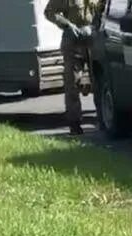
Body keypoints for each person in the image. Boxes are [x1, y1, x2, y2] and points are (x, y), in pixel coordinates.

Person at [45, 0, 98, 136]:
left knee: (100, 82)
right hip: (74, 44)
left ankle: (104, 120)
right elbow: (49, 12)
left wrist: (95, 27)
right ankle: (75, 124)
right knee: (72, 84)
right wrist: (68, 25)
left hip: (94, 41)